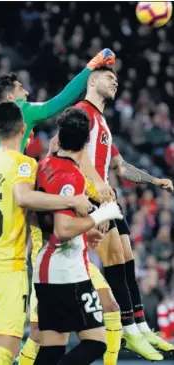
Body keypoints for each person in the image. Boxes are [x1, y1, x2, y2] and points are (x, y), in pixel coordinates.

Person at [0, 48, 116, 318]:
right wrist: (92, 66)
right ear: (8, 98)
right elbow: (59, 102)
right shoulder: (20, 111)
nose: (26, 94)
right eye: (21, 89)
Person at [0, 102, 92, 365]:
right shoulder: (23, 164)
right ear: (23, 128)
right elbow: (23, 198)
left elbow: (16, 209)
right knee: (6, 350)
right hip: (6, 264)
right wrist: (71, 202)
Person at [76, 65, 173, 357]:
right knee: (116, 257)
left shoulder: (102, 123)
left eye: (116, 77)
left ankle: (141, 327)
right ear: (92, 81)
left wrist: (156, 180)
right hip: (91, 197)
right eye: (109, 77)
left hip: (107, 199)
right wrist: (97, 186)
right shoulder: (82, 113)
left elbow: (121, 167)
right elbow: (77, 154)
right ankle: (128, 330)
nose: (115, 81)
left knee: (127, 259)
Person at [33, 107, 123, 365]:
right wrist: (100, 215)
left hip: (47, 266)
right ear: (86, 141)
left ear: (58, 137)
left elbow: (55, 219)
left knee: (52, 349)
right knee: (96, 343)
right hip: (66, 270)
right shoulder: (72, 175)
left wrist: (86, 231)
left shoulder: (46, 164)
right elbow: (62, 229)